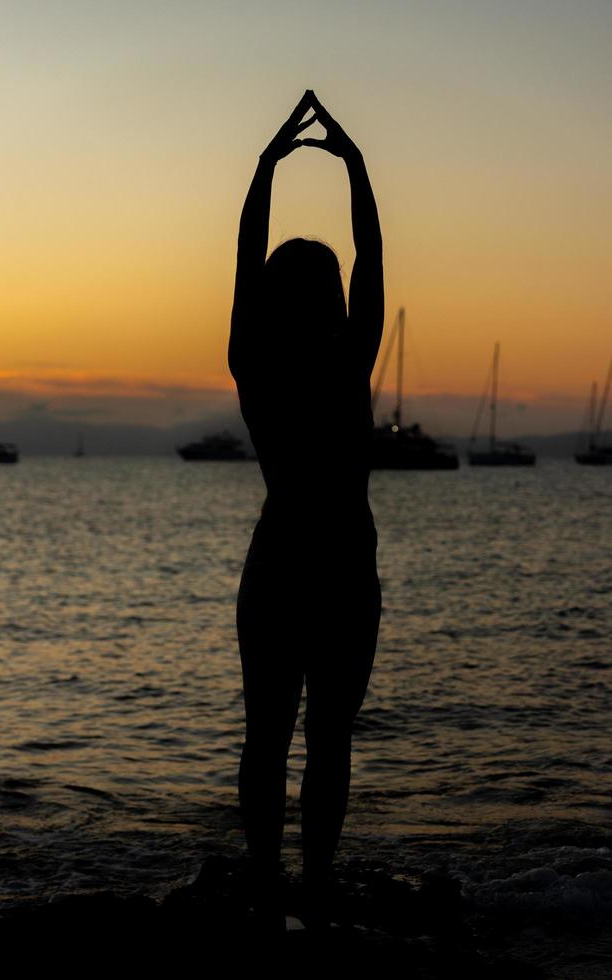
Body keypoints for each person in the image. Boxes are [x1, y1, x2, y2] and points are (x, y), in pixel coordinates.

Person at [228, 90, 383, 930]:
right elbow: (373, 258)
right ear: (329, 301)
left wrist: (267, 167)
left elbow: (246, 262)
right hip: (339, 569)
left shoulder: (253, 362)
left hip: (285, 563)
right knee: (326, 739)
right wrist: (354, 167)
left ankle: (269, 881)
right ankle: (311, 886)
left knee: (271, 735)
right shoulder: (349, 361)